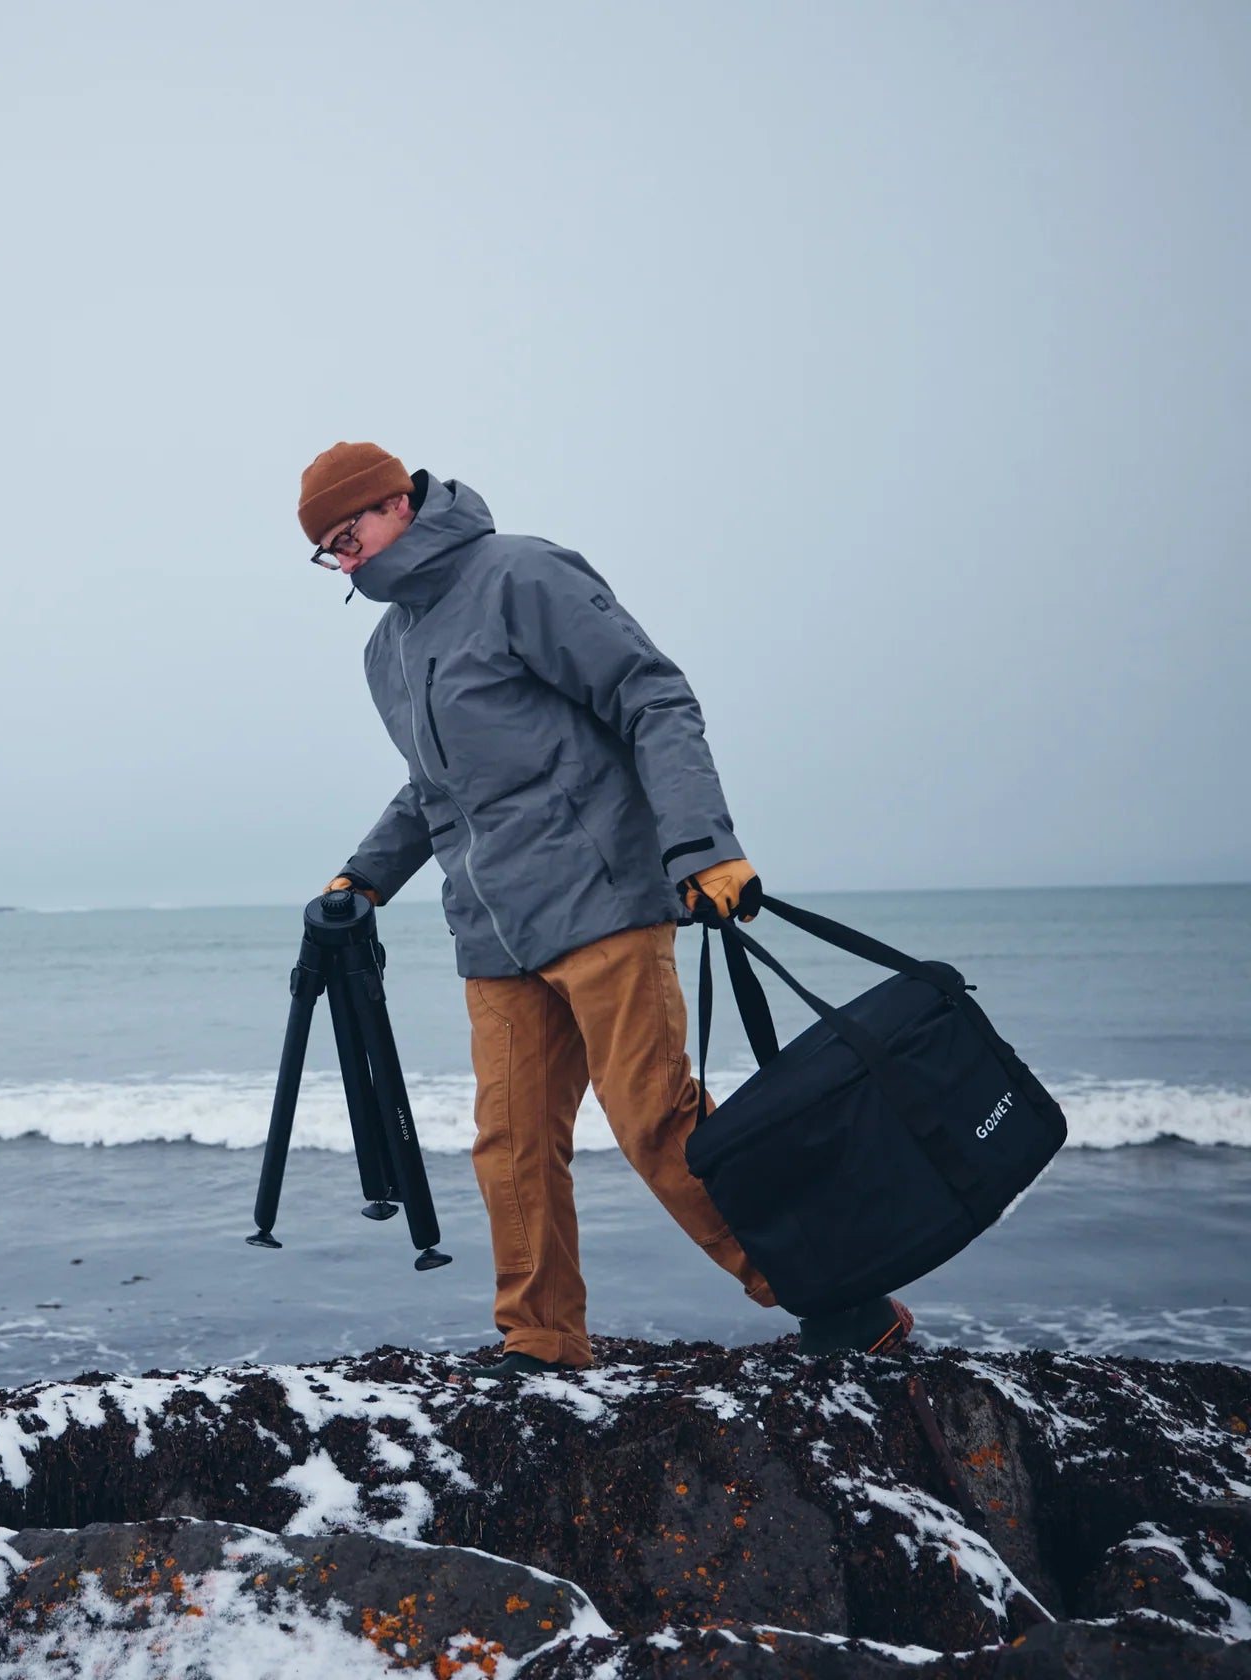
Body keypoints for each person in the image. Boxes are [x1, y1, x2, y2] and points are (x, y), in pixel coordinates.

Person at [298, 442, 912, 1374]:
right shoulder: (387, 649)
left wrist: (705, 847)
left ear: (399, 504)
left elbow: (651, 696)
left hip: (602, 900)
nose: (347, 562)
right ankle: (542, 1340)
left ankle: (840, 1298)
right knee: (509, 1145)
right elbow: (434, 789)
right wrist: (363, 876)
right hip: (493, 933)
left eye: (352, 536)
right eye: (330, 552)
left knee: (657, 1123)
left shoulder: (519, 573)